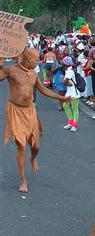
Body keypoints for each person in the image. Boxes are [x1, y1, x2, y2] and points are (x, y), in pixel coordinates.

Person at [0, 48, 69, 192]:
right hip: (16, 111)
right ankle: (22, 181)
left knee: (36, 146)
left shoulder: (33, 74)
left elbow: (43, 90)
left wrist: (60, 97)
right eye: (35, 60)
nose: (37, 62)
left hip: (30, 111)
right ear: (27, 59)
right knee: (21, 145)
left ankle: (32, 157)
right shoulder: (11, 70)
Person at [62, 56, 81, 132]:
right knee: (65, 105)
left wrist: (65, 82)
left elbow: (66, 81)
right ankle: (71, 121)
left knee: (74, 108)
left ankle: (74, 124)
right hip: (69, 92)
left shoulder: (70, 71)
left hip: (74, 93)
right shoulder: (68, 70)